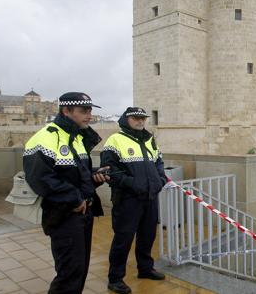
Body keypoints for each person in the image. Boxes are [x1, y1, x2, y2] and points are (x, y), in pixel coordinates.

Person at [23, 92, 109, 294]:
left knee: (80, 269)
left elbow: (76, 174)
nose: (89, 115)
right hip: (63, 214)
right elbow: (40, 178)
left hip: (83, 212)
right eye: (83, 110)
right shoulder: (45, 138)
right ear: (66, 111)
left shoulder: (77, 137)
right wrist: (74, 198)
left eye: (90, 110)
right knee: (69, 273)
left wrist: (94, 176)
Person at [101, 107, 167, 294]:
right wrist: (135, 184)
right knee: (123, 239)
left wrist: (159, 181)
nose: (140, 121)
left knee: (147, 236)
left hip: (150, 197)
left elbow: (159, 162)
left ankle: (145, 269)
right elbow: (110, 171)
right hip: (127, 199)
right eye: (136, 118)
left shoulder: (149, 139)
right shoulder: (115, 140)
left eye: (143, 119)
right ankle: (115, 278)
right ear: (126, 119)